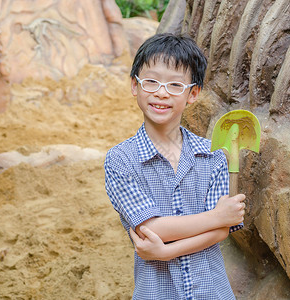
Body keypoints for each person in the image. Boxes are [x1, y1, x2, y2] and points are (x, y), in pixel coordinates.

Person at [104, 33, 246, 300]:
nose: (161, 92)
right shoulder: (120, 160)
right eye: (151, 81)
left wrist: (165, 252)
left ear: (193, 94)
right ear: (135, 86)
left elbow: (221, 231)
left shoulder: (213, 156)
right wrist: (217, 216)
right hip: (156, 293)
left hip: (211, 292)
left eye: (174, 85)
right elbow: (152, 229)